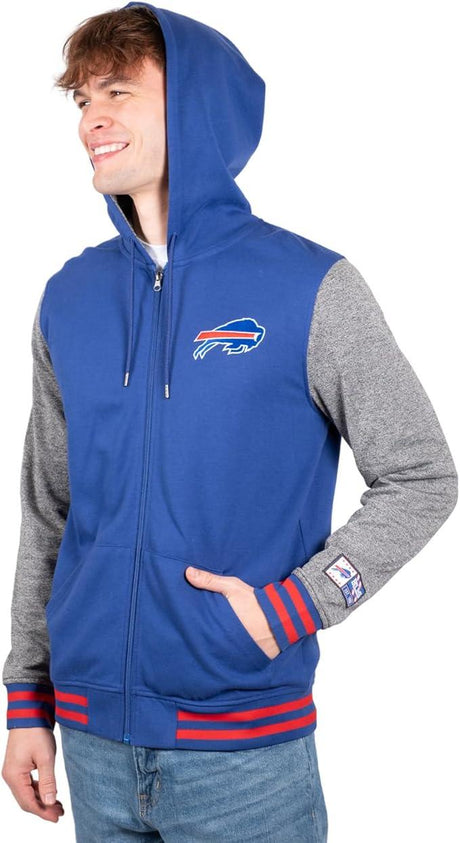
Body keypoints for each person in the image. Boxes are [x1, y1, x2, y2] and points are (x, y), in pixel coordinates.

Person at [1, 2, 457, 840]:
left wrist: (297, 606)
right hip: (92, 747)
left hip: (243, 761)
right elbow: (49, 509)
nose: (91, 119)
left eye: (117, 92)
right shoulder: (69, 297)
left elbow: (423, 474)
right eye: (82, 100)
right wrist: (25, 696)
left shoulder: (309, 286)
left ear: (197, 106)